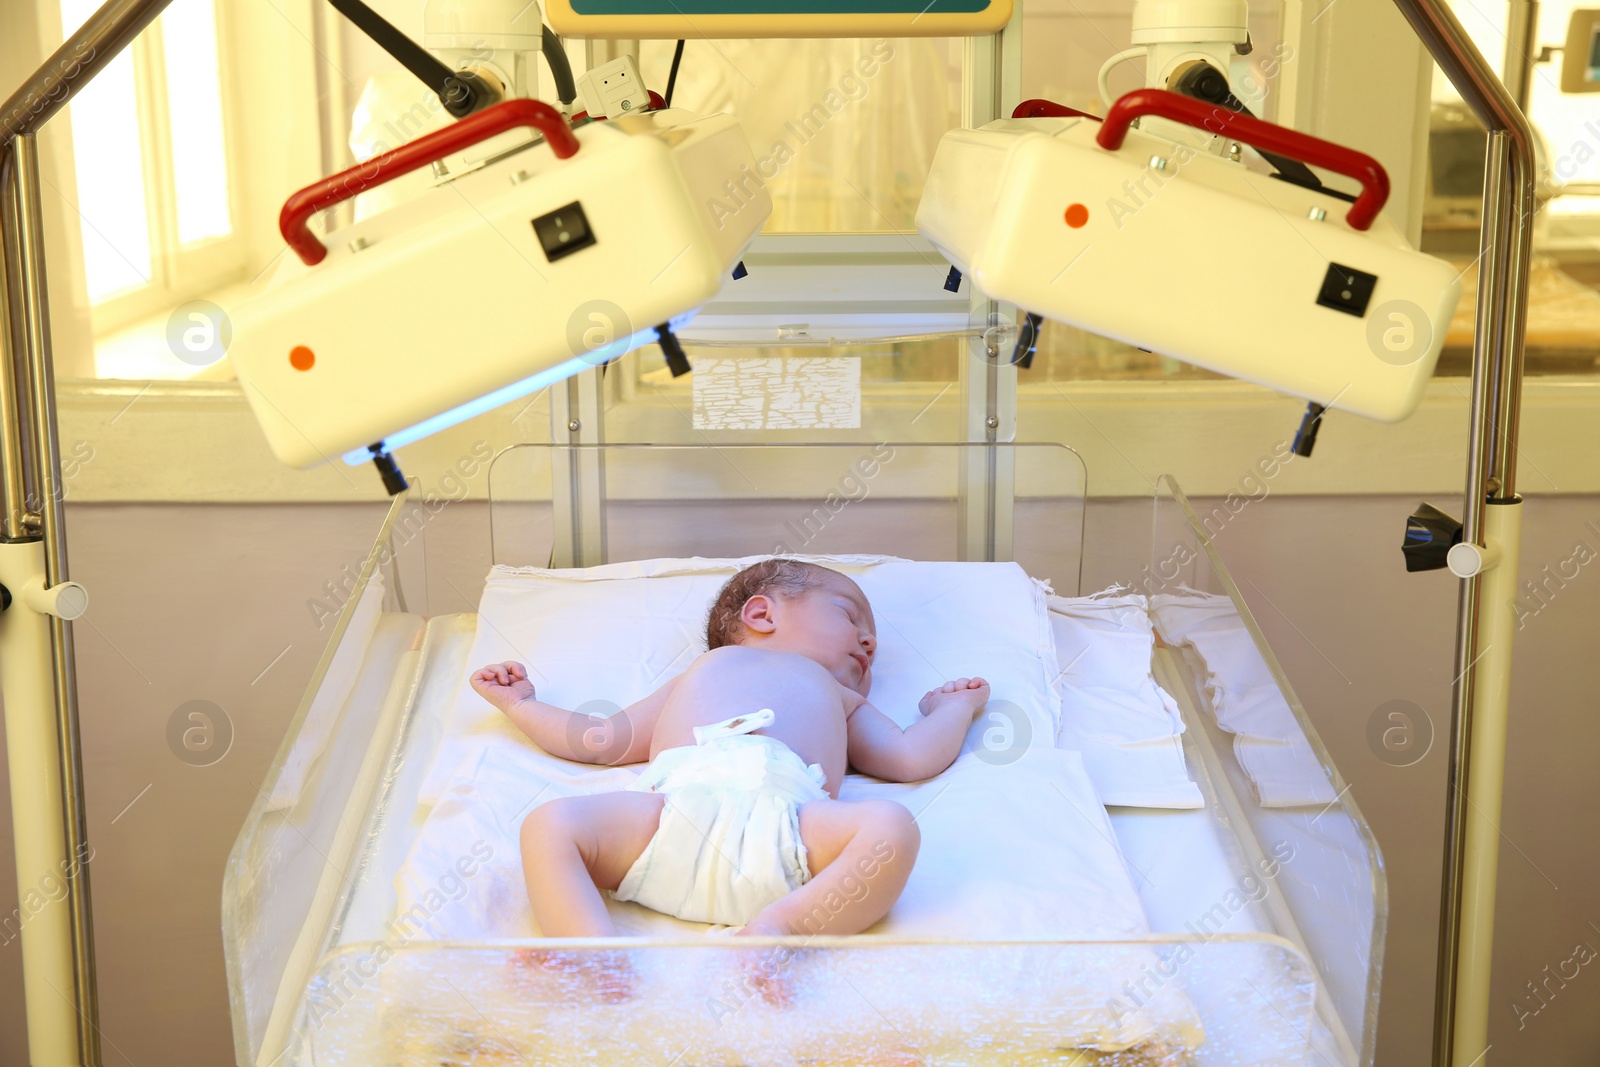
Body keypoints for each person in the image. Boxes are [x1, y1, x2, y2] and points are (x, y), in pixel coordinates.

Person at [470, 558, 990, 962]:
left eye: (869, 638)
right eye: (850, 616)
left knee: (892, 827)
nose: (869, 641)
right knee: (549, 823)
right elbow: (601, 739)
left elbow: (909, 756)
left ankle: (780, 929)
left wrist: (953, 709)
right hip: (669, 821)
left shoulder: (840, 697)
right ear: (762, 614)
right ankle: (593, 954)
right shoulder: (707, 670)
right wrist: (522, 705)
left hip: (789, 835)